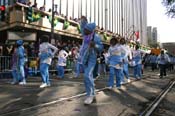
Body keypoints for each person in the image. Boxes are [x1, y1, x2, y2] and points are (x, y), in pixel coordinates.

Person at [79, 17, 103, 105]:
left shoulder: (96, 37)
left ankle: (90, 95)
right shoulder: (85, 34)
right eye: (84, 29)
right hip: (84, 58)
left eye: (86, 30)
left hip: (92, 58)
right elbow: (82, 26)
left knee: (87, 75)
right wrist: (83, 20)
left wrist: (95, 46)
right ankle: (92, 92)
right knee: (87, 78)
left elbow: (101, 48)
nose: (84, 30)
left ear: (90, 30)